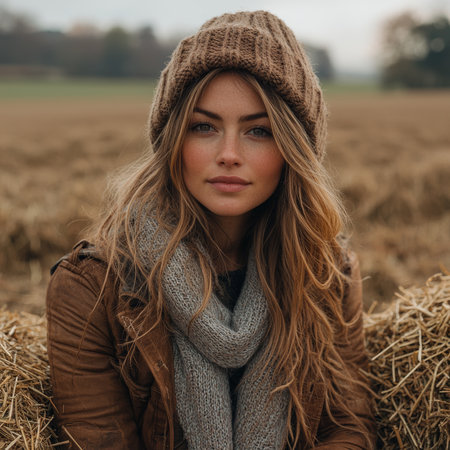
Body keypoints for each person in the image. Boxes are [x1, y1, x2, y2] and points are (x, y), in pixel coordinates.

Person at [46, 10, 376, 450]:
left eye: (259, 130)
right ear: (172, 140)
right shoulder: (91, 287)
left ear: (293, 148)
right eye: (204, 127)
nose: (229, 154)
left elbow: (349, 427)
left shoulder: (327, 274)